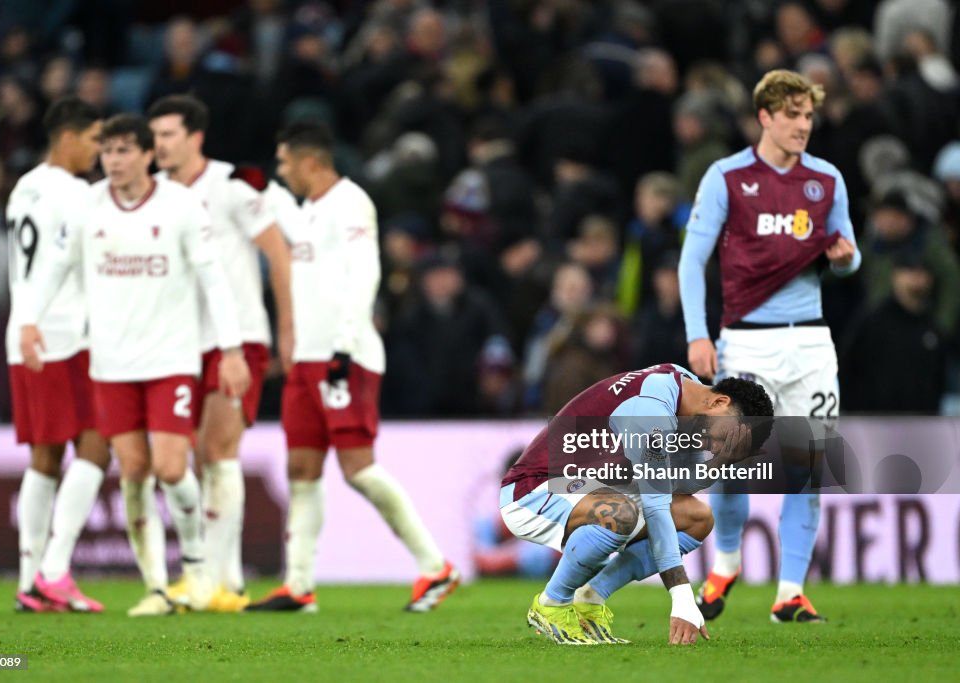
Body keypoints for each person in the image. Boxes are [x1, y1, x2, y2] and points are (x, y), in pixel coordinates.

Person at [14, 114, 251, 617]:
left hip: (170, 359)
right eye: (108, 151)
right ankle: (159, 587)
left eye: (124, 151)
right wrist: (29, 321)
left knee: (170, 467)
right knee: (135, 471)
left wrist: (231, 350)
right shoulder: (88, 207)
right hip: (111, 364)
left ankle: (196, 564)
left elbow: (214, 281)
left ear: (147, 155)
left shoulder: (182, 207)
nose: (113, 161)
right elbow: (55, 267)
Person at [247, 121, 459, 613]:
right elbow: (272, 201)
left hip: (345, 356)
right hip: (305, 359)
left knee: (358, 469)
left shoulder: (351, 202)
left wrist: (344, 345)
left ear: (311, 162)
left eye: (285, 163)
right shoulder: (306, 212)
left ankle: (436, 568)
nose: (282, 171)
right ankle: (298, 586)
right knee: (301, 468)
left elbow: (367, 272)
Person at [677, 69, 862, 623]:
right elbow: (692, 259)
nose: (804, 126)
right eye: (793, 115)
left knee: (808, 466)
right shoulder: (727, 177)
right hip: (746, 344)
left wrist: (846, 260)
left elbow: (850, 258)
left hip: (810, 342)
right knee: (735, 462)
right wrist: (697, 333)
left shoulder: (826, 179)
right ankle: (727, 564)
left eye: (809, 116)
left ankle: (789, 592)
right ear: (765, 116)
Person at [501, 364, 773, 644]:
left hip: (592, 488)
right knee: (621, 513)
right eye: (727, 437)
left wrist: (718, 464)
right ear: (720, 401)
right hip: (535, 489)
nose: (717, 447)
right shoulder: (651, 411)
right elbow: (656, 506)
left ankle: (590, 600)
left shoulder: (686, 394)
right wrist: (682, 599)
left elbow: (673, 483)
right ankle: (552, 604)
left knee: (697, 517)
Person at [147, 94, 294, 612]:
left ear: (195, 138)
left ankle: (221, 581)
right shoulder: (155, 193)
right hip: (177, 343)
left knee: (218, 450)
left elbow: (278, 254)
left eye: (167, 134)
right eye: (155, 135)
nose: (158, 144)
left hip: (239, 338)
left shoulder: (233, 185)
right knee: (190, 458)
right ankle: (216, 576)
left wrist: (287, 332)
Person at [5, 97, 111, 613]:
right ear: (67, 137)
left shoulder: (24, 186)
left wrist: (26, 320)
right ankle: (53, 571)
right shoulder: (75, 194)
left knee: (45, 458)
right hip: (64, 334)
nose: (98, 152)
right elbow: (65, 261)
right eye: (94, 140)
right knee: (96, 445)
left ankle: (31, 583)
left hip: (24, 331)